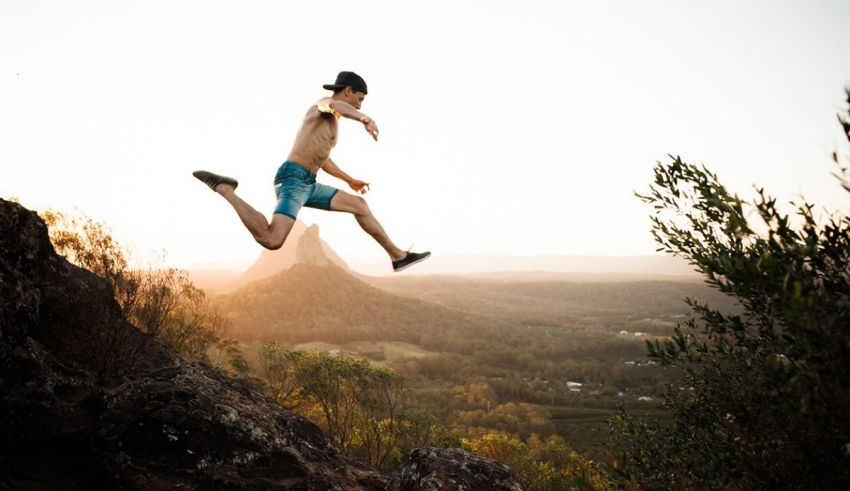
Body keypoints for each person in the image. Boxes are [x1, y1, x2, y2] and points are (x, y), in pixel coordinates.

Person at [193, 71, 430, 272]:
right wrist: (363, 118)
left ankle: (397, 256)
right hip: (292, 178)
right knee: (272, 239)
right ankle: (226, 190)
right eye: (360, 98)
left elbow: (323, 160)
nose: (360, 104)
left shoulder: (331, 123)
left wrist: (350, 180)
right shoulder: (324, 105)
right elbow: (333, 104)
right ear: (348, 90)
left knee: (360, 205)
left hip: (309, 182)